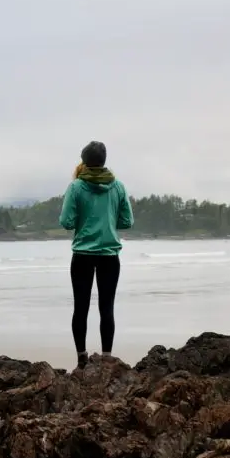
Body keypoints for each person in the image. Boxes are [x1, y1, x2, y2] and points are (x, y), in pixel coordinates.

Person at [59, 140, 134, 369]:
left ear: (84, 162)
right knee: (106, 308)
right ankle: (106, 357)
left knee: (80, 308)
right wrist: (108, 220)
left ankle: (82, 359)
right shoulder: (118, 186)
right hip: (110, 255)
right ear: (103, 161)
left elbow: (66, 222)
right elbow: (127, 221)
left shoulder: (76, 187)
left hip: (82, 254)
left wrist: (83, 221)